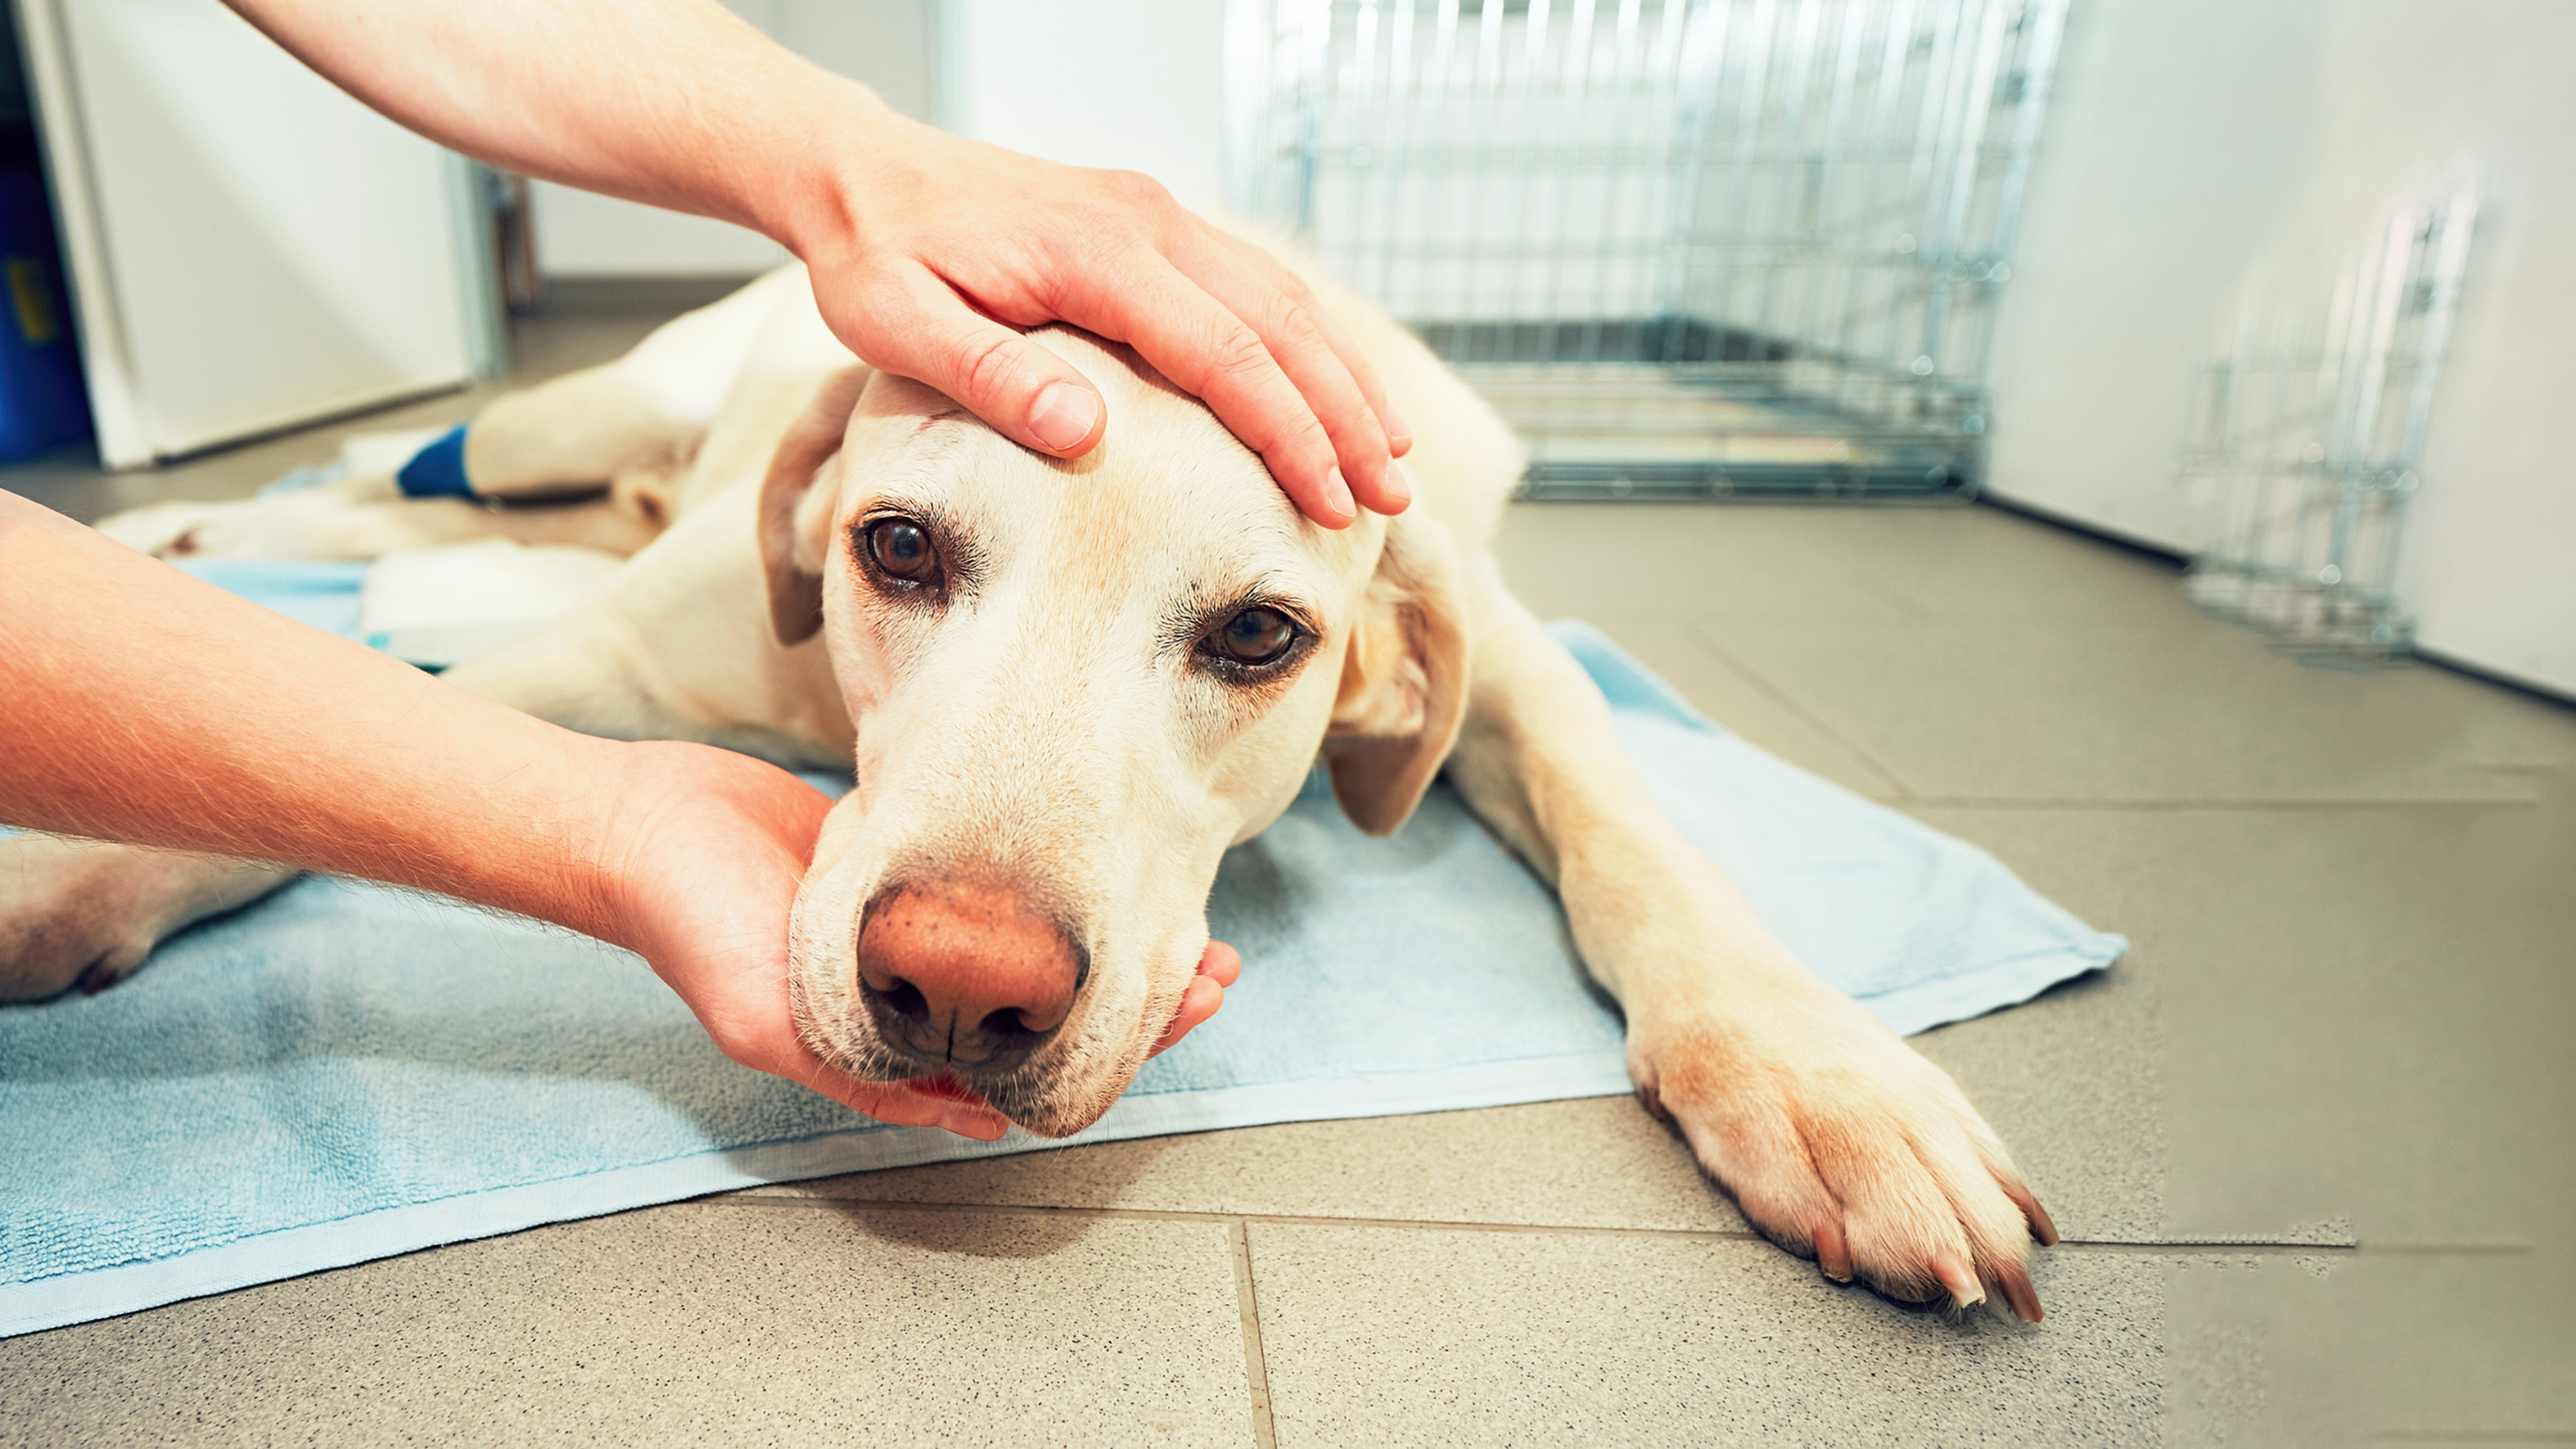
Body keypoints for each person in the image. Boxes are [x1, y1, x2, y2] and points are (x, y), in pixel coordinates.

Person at [1, 0, 1410, 1137]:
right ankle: (384, 491)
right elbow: (587, 661)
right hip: (730, 395)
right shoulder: (815, 464)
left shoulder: (1392, 527)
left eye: (1245, 638)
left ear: (1378, 673)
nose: (968, 960)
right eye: (909, 554)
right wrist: (169, 852)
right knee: (539, 440)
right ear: (807, 523)